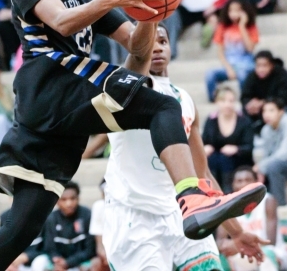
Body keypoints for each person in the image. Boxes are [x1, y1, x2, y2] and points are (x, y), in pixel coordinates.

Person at [0, 0, 265, 271]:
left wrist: (149, 12)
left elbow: (136, 51)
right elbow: (61, 21)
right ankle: (191, 196)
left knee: (21, 226)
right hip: (50, 90)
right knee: (163, 107)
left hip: (66, 106)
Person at [104, 24, 266, 271]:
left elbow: (203, 175)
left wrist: (237, 232)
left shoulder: (186, 100)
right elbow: (134, 70)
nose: (157, 47)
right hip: (135, 216)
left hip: (180, 211)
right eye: (149, 42)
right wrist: (148, 20)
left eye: (162, 41)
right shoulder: (121, 88)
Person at [217, 167, 287, 271]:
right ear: (233, 185)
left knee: (264, 256)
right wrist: (230, 246)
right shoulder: (228, 207)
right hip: (243, 253)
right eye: (239, 181)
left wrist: (238, 246)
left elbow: (270, 241)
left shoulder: (268, 201)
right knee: (221, 260)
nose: (244, 184)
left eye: (248, 180)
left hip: (271, 252)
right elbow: (219, 242)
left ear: (256, 182)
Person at [205, 0, 258, 102]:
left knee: (243, 76)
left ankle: (244, 99)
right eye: (231, 10)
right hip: (228, 65)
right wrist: (229, 69)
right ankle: (215, 100)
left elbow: (250, 48)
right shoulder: (222, 27)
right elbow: (220, 52)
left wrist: (242, 26)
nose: (234, 14)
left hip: (246, 66)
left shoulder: (251, 27)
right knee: (210, 74)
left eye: (237, 10)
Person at [203, 86, 254, 193]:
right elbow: (205, 141)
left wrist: (236, 149)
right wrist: (206, 147)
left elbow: (249, 147)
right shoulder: (211, 120)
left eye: (231, 101)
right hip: (216, 161)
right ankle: (212, 191)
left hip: (238, 160)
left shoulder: (244, 121)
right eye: (223, 101)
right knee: (213, 159)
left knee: (225, 159)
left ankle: (227, 191)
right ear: (217, 102)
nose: (227, 104)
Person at [241, 50, 287, 131]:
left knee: (286, 113)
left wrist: (263, 103)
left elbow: (285, 97)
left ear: (271, 65)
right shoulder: (251, 77)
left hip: (281, 107)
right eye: (258, 66)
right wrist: (250, 104)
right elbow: (245, 96)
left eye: (264, 65)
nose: (261, 69)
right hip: (258, 111)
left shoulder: (282, 75)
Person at [42, 181, 95, 270]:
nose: (69, 203)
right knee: (42, 264)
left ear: (78, 198)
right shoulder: (51, 219)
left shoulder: (87, 215)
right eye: (64, 199)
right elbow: (50, 248)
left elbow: (90, 250)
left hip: (82, 261)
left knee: (94, 264)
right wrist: (57, 260)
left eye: (72, 198)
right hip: (60, 263)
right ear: (57, 201)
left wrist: (68, 262)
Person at [88, 181, 107, 271]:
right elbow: (98, 238)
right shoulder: (99, 206)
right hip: (106, 252)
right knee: (96, 265)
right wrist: (103, 253)